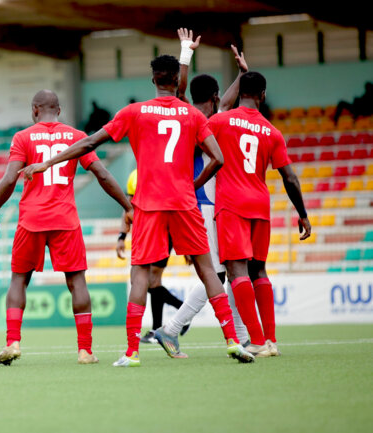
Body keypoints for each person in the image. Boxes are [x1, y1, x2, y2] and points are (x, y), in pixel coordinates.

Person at [21, 55, 254, 367]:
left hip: (148, 204)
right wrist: (191, 183)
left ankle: (132, 352)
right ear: (176, 81)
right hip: (184, 202)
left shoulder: (135, 112)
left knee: (140, 273)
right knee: (208, 270)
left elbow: (90, 143)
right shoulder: (192, 116)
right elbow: (219, 158)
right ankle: (232, 341)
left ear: (153, 80)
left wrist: (47, 162)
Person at [0, 90, 133, 365]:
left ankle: (13, 343)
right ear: (60, 110)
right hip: (65, 219)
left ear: (34, 110)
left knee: (19, 279)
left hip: (31, 219)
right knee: (76, 281)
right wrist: (127, 205)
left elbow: (9, 179)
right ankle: (85, 351)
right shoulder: (77, 136)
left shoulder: (23, 137)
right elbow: (101, 173)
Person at [155, 29, 252, 358]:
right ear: (212, 97)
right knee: (220, 272)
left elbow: (217, 100)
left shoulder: (196, 115)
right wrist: (186, 55)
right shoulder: (200, 120)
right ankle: (171, 329)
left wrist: (241, 74)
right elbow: (201, 97)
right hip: (206, 204)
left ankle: (242, 336)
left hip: (205, 204)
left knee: (231, 270)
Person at [209, 71, 311, 357]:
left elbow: (215, 116)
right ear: (263, 95)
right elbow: (290, 178)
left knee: (236, 270)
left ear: (239, 90)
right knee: (259, 270)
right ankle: (271, 341)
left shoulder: (221, 121)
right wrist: (302, 213)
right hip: (260, 205)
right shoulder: (272, 132)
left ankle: (255, 341)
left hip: (231, 204)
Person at [117, 168, 187, 344]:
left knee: (152, 281)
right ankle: (173, 319)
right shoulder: (134, 176)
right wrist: (122, 236)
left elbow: (175, 208)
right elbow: (128, 207)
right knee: (149, 282)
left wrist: (183, 244)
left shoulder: (162, 173)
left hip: (164, 232)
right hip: (147, 232)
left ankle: (162, 326)